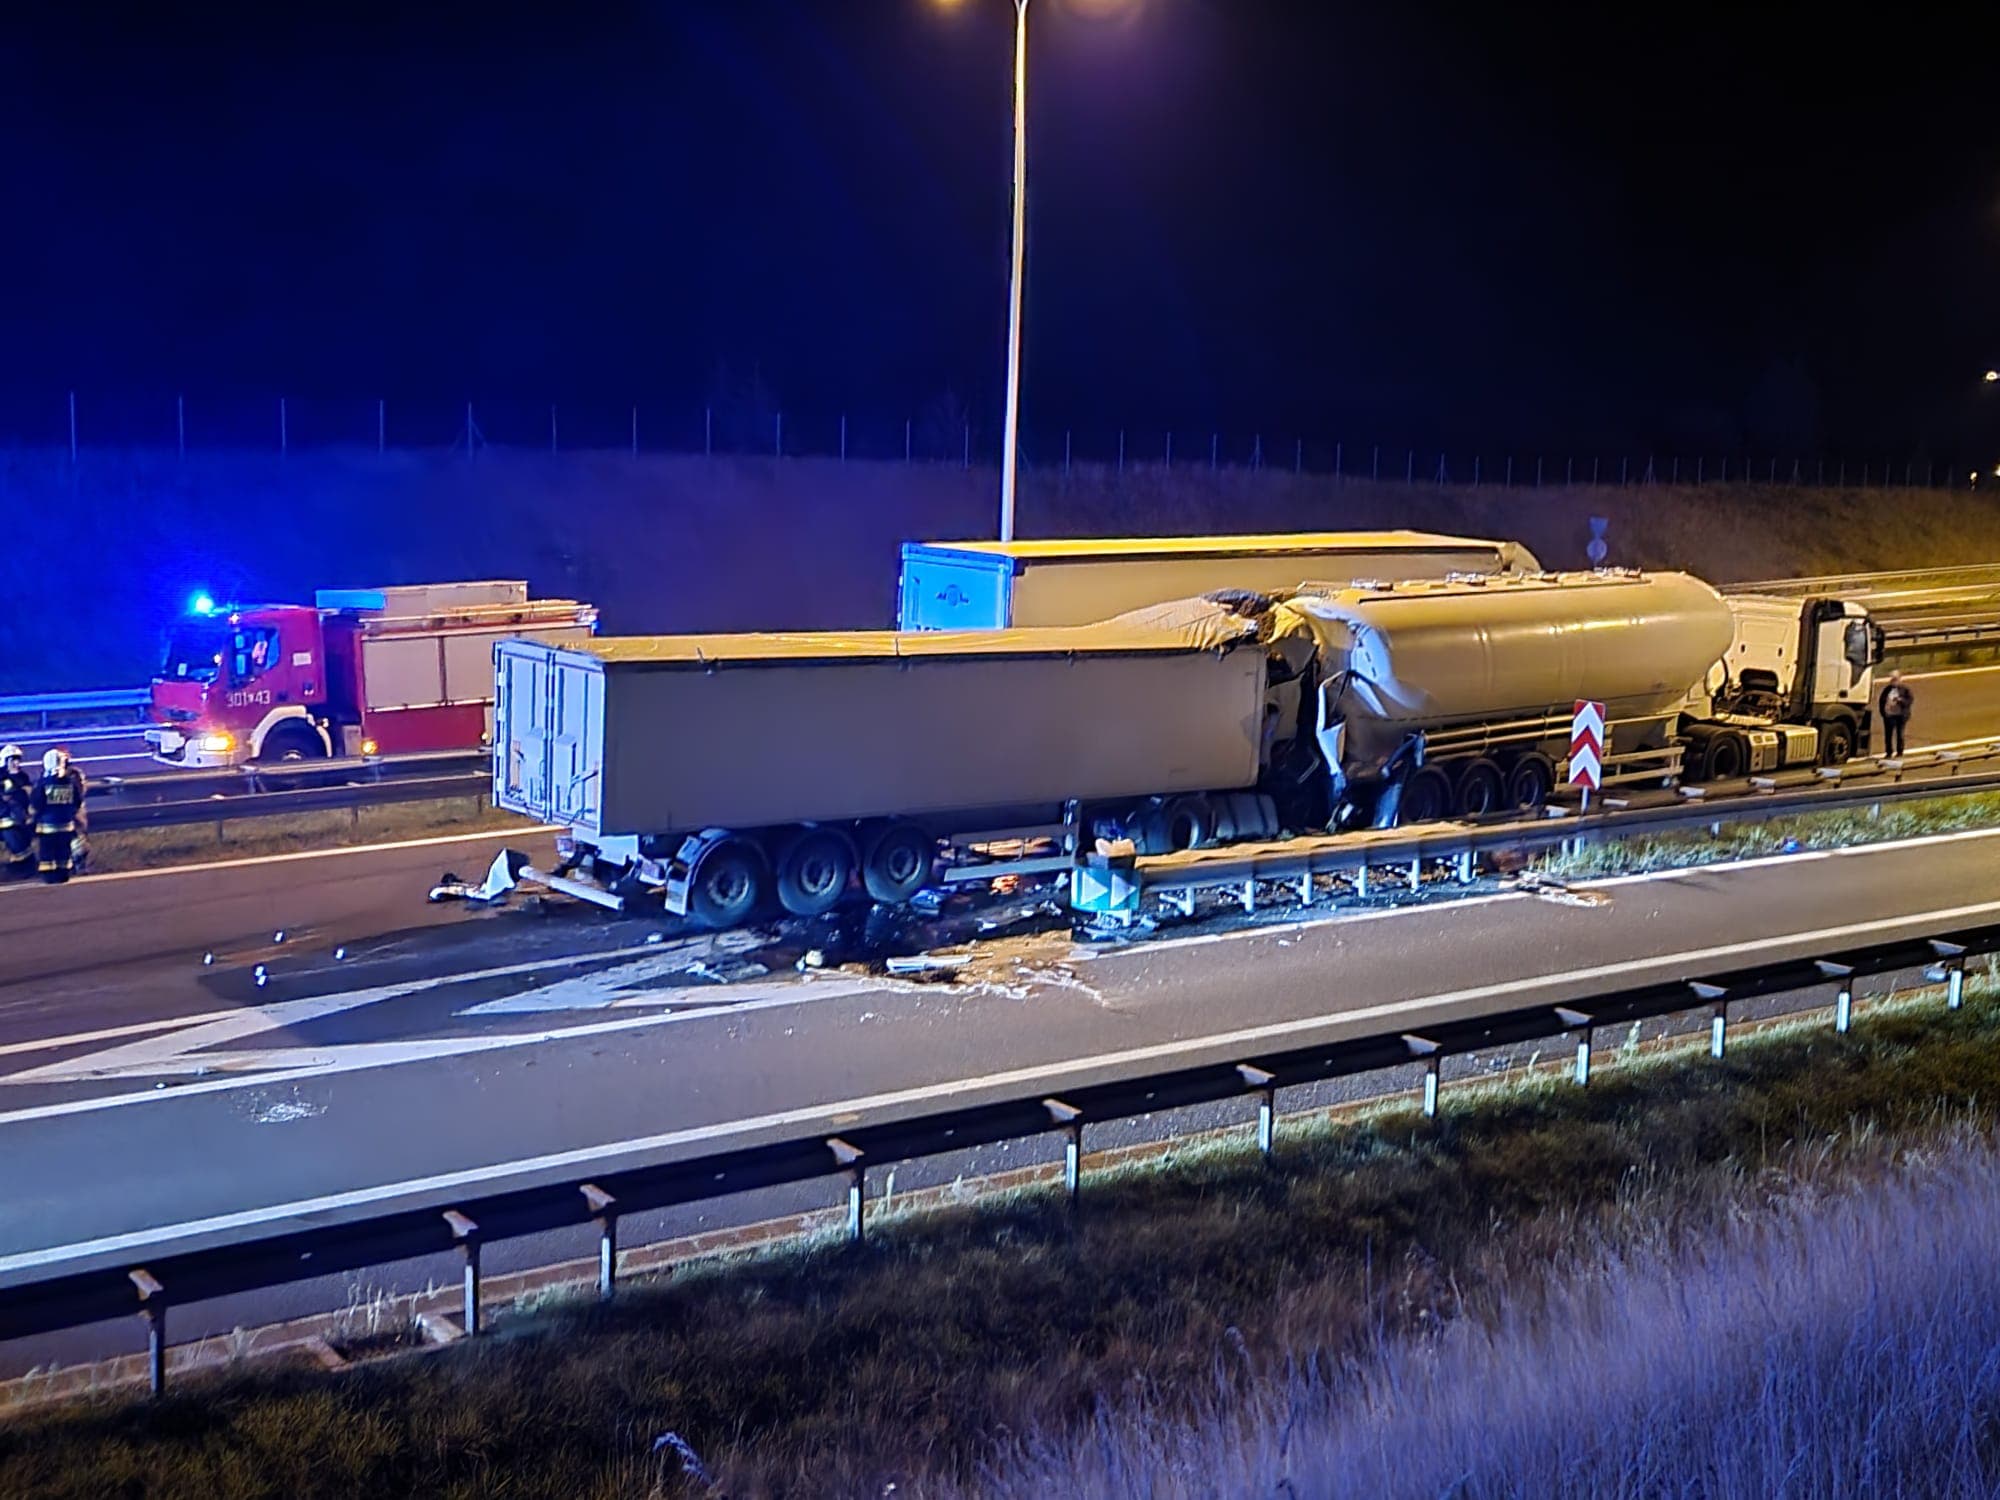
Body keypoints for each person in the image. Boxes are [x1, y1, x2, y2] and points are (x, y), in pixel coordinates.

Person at [30, 747, 87, 884]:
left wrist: (35, 817)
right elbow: (77, 801)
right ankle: (63, 873)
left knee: (48, 852)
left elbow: (37, 803)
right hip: (66, 825)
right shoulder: (70, 783)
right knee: (63, 851)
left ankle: (49, 875)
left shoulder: (43, 783)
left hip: (48, 826)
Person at [0, 745, 33, 878]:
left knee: (24, 844)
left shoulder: (22, 776)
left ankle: (24, 867)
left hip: (21, 817)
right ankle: (22, 867)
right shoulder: (1, 776)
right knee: (16, 843)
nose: (16, 763)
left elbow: (29, 794)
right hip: (5, 818)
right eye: (13, 760)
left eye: (18, 759)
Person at [1877, 671, 1914, 758]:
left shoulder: (1905, 689)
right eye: (1892, 679)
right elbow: (1881, 701)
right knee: (1888, 735)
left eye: (1895, 679)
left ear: (1900, 679)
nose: (1893, 681)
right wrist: (1883, 713)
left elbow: (1909, 701)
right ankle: (1889, 752)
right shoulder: (1887, 690)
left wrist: (1900, 700)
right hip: (1889, 715)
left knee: (1900, 734)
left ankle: (1900, 752)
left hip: (1900, 715)